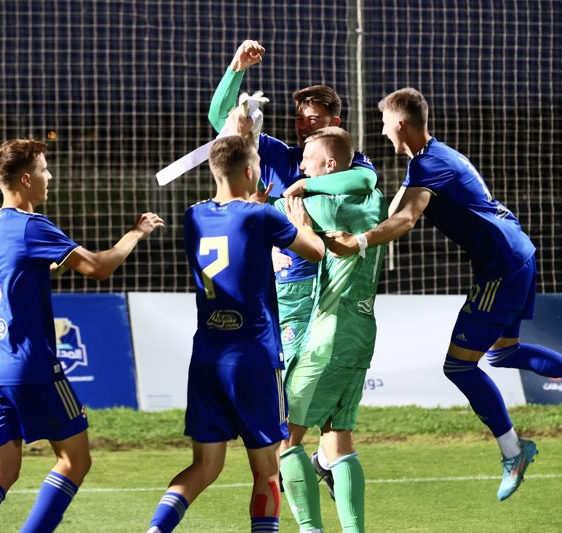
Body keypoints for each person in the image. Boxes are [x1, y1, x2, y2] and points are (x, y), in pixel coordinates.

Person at [326, 88, 562, 501]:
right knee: (504, 353)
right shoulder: (431, 158)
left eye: (384, 124)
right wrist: (361, 218)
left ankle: (514, 452)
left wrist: (358, 241)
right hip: (517, 253)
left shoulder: (430, 164)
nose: (382, 131)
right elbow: (393, 212)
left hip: (502, 267)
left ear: (401, 124)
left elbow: (406, 220)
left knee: (459, 367)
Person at [0, 138, 164, 532]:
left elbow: (3, 279)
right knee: (75, 460)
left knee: (1, 471)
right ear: (25, 179)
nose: (49, 176)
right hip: (31, 366)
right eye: (43, 169)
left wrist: (42, 268)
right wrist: (136, 233)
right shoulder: (32, 225)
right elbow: (99, 267)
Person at [145, 135, 324, 533]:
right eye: (256, 163)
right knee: (267, 470)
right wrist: (299, 220)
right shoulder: (262, 217)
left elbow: (233, 236)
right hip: (253, 359)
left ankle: (156, 529)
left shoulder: (194, 216)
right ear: (249, 171)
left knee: (205, 466)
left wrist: (252, 207)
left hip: (208, 358)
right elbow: (315, 251)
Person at [208, 40, 379, 385]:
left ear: (335, 122)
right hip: (284, 282)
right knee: (283, 373)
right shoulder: (279, 155)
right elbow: (220, 121)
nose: (304, 126)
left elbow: (366, 180)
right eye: (299, 119)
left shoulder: (346, 161)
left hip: (331, 288)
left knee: (321, 377)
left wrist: (305, 185)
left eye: (314, 119)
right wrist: (237, 67)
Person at [270, 127, 386, 533]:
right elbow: (364, 178)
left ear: (330, 164)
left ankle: (310, 530)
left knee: (285, 438)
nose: (300, 168)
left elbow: (267, 211)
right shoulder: (374, 198)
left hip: (329, 336)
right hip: (362, 332)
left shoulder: (322, 206)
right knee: (338, 439)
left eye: (307, 160)